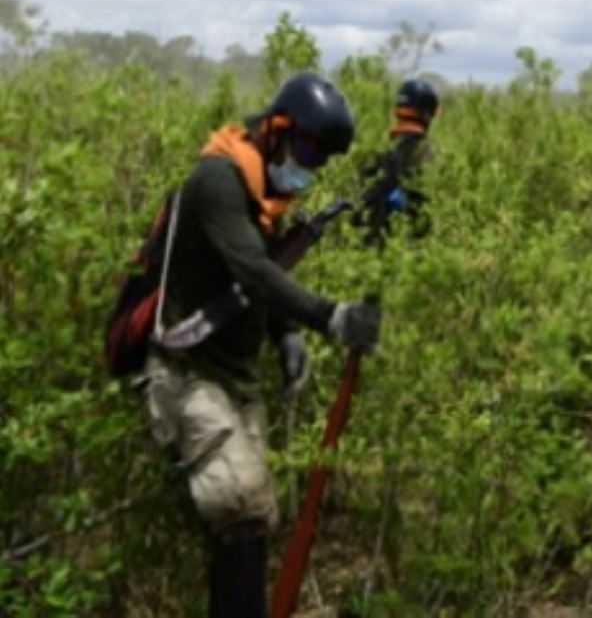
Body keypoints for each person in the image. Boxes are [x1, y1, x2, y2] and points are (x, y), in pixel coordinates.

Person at [143, 71, 382, 618]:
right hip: (188, 373)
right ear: (276, 127)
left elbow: (258, 277)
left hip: (235, 378)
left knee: (250, 521)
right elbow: (252, 271)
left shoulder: (264, 194)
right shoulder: (218, 183)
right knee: (242, 506)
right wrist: (330, 317)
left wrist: (285, 334)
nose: (307, 166)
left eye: (318, 159)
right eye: (303, 148)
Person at [357, 78, 438, 245]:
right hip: (402, 242)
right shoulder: (425, 150)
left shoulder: (381, 148)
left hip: (369, 237)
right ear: (427, 114)